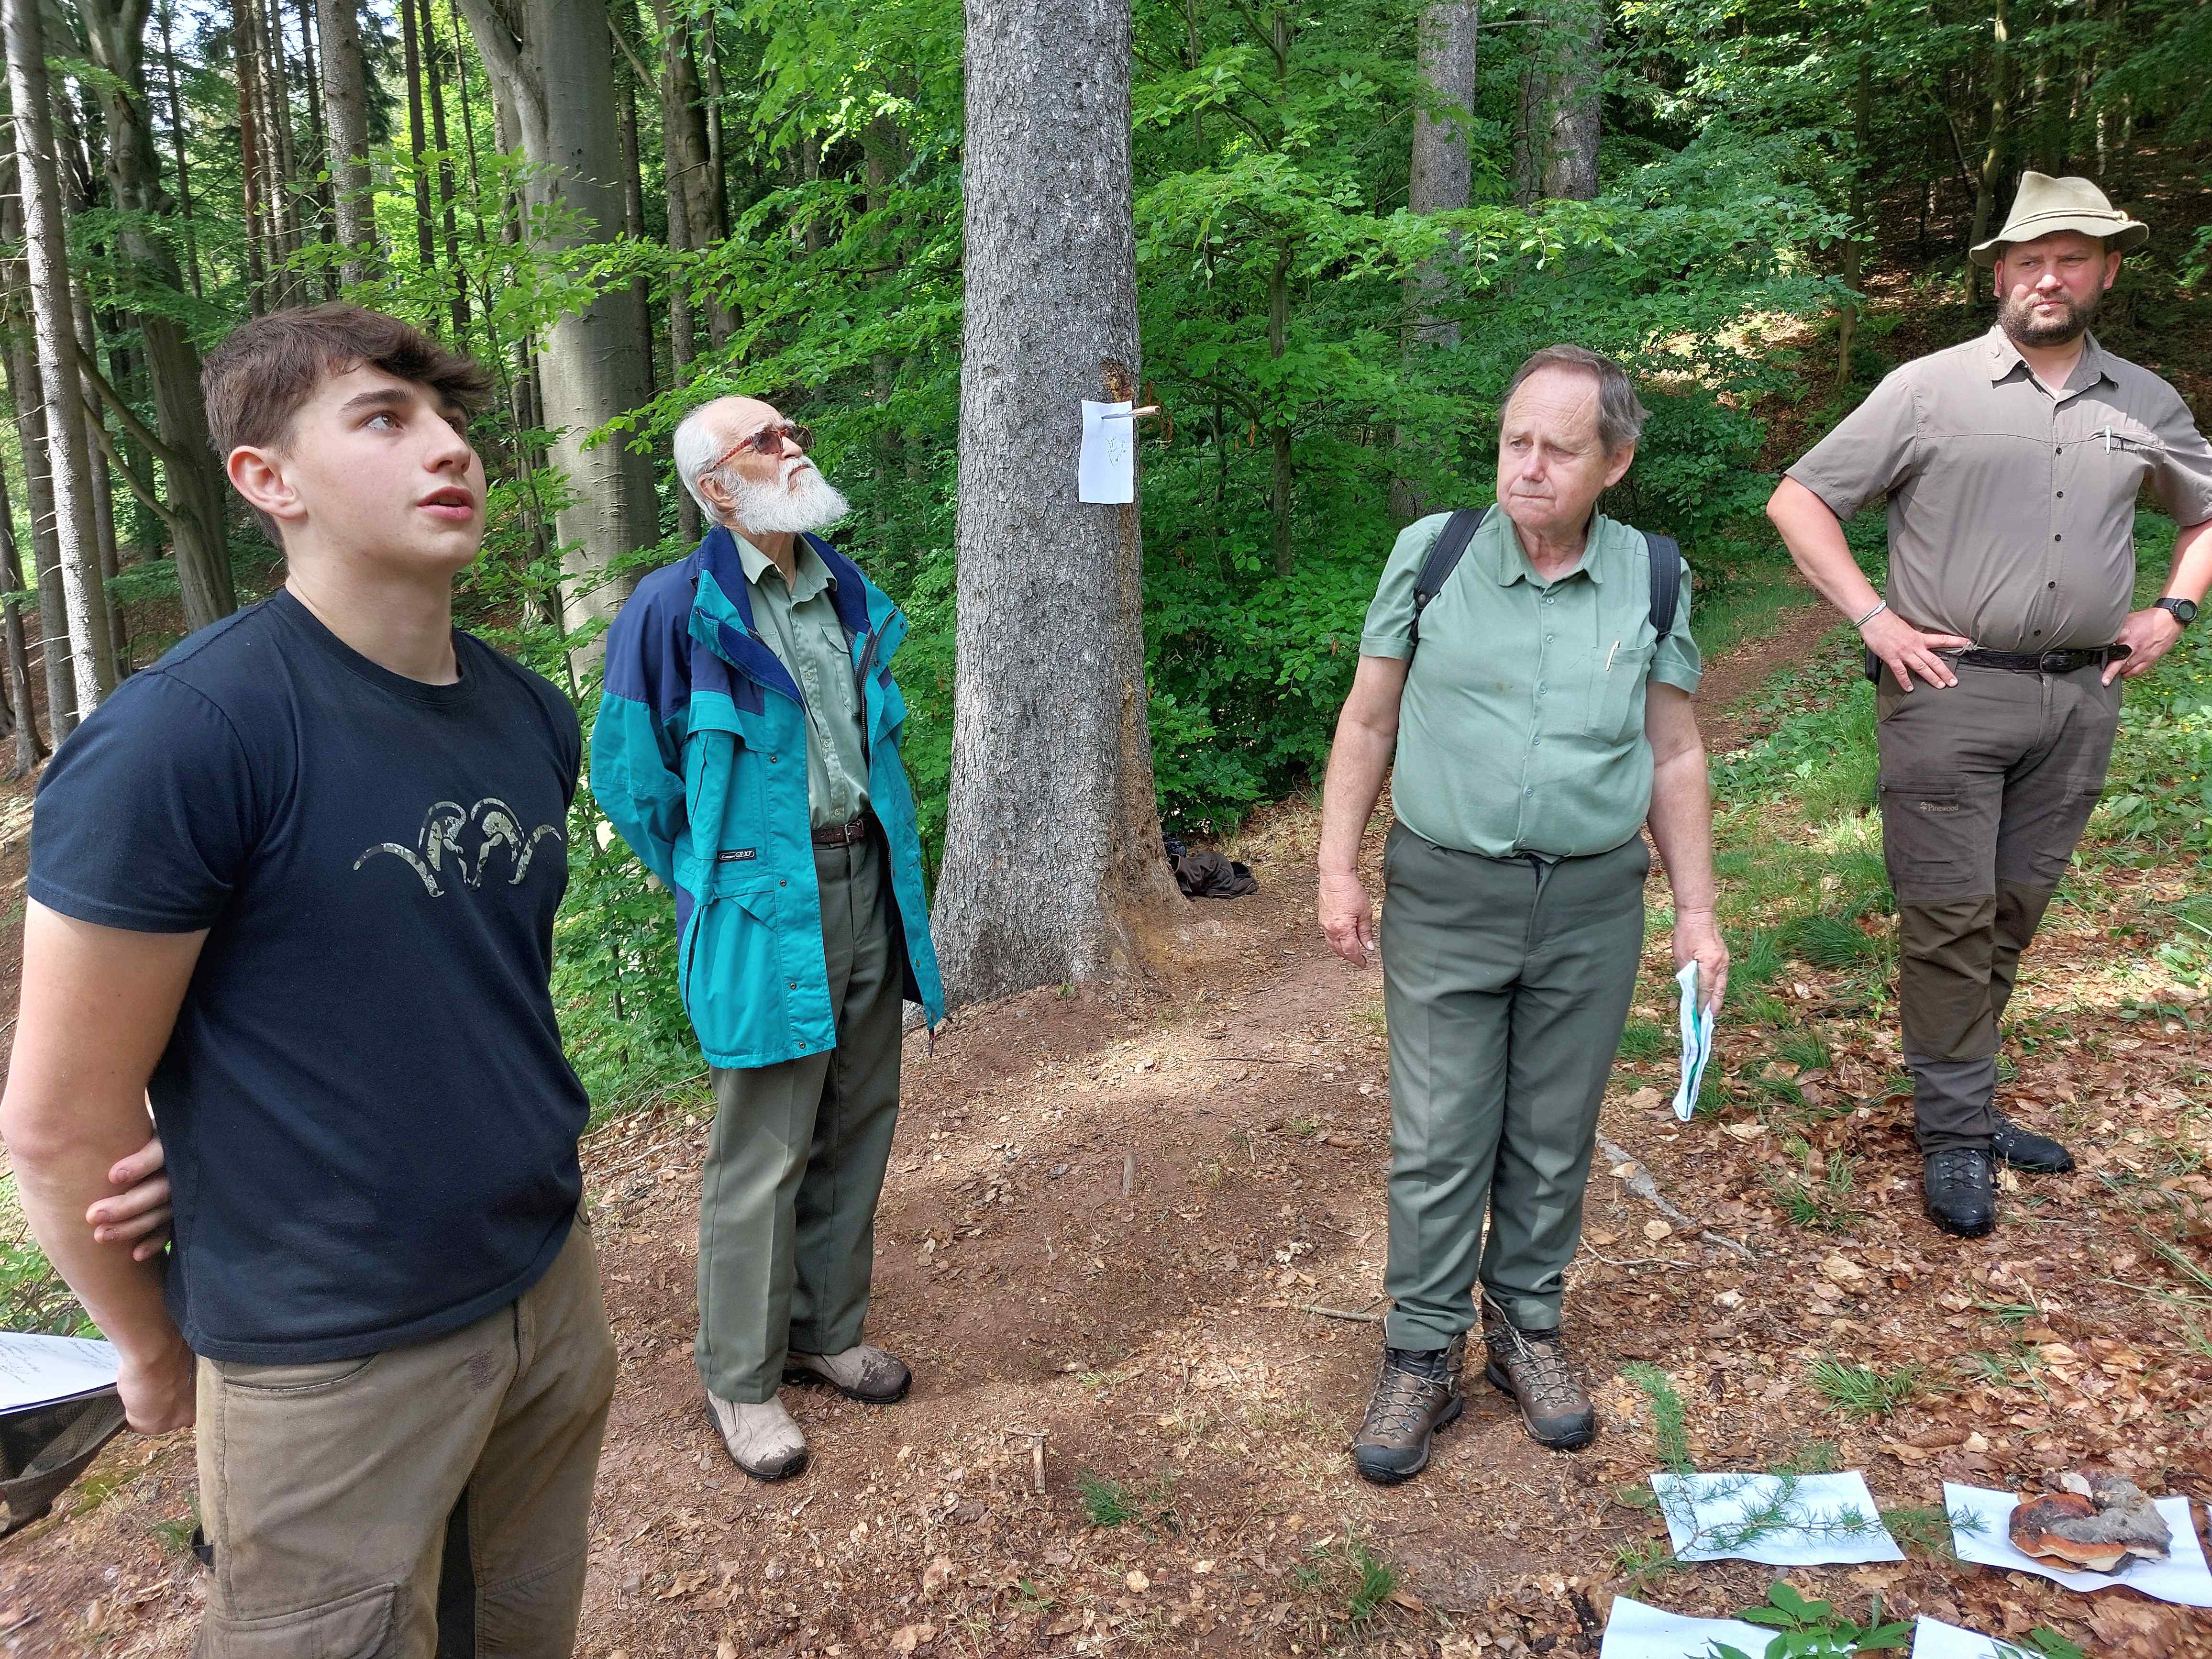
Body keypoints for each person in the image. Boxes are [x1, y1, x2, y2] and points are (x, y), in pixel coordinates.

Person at [0, 305, 616, 1655]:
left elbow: (432, 993)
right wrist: (150, 1346)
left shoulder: (527, 714)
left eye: (449, 419)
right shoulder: (186, 738)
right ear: (265, 478)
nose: (449, 447)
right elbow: (58, 1120)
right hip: (327, 1358)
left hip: (545, 1289)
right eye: (384, 418)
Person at [1768, 174, 2212, 1239]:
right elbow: (1799, 498)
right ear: (1999, 273)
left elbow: (2205, 513)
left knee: (2010, 913)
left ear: (2106, 271)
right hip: (1947, 698)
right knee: (1949, 917)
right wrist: (1875, 619)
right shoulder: (1927, 390)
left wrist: (2173, 610)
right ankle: (1956, 1134)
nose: (2046, 278)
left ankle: (1959, 1094)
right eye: (2027, 260)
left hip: (2082, 700)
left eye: (2069, 259)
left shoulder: (2143, 403)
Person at [1317, 345, 1726, 1483]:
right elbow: (1366, 721)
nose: (1527, 468)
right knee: (1440, 1134)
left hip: (1592, 904)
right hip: (1448, 895)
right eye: (1514, 443)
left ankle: (1523, 1329)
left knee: (1552, 1133)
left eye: (1557, 449)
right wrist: (1335, 869)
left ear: (1614, 462)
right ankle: (1420, 1351)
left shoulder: (1651, 576)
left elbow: (1673, 749)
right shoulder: (1433, 555)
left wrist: (1696, 913)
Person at [592, 398, 944, 1482]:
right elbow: (631, 781)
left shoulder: (844, 589)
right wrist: (718, 874)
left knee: (857, 1119)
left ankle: (824, 1333)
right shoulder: (671, 611)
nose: (794, 448)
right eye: (766, 441)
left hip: (867, 878)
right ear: (714, 488)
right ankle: (741, 1381)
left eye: (794, 432)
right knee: (764, 1146)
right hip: (762, 904)